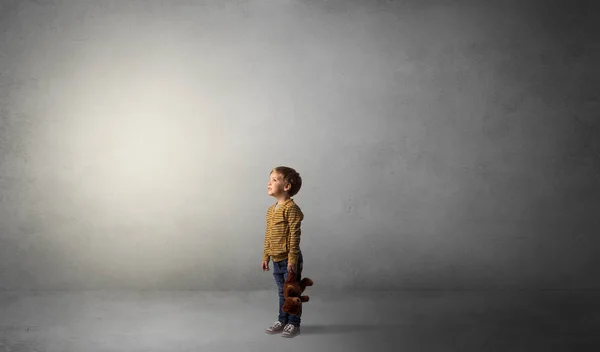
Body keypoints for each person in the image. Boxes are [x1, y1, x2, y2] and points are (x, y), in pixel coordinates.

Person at [261, 166, 304, 338]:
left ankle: (294, 324)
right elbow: (269, 235)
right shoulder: (271, 210)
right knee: (281, 292)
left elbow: (295, 235)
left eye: (274, 180)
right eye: (269, 179)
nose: (269, 183)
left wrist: (293, 260)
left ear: (286, 186)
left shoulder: (291, 209)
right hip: (276, 259)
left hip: (289, 260)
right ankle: (282, 320)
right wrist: (266, 255)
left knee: (292, 294)